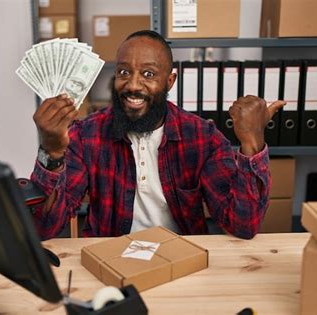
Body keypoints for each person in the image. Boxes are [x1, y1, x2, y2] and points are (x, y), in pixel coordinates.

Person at [30, 30, 286, 240]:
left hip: (183, 260)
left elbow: (243, 225)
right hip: (108, 261)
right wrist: (51, 153)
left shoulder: (201, 136)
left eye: (149, 74)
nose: (132, 85)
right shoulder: (87, 135)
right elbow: (45, 228)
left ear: (170, 81)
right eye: (123, 72)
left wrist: (251, 143)